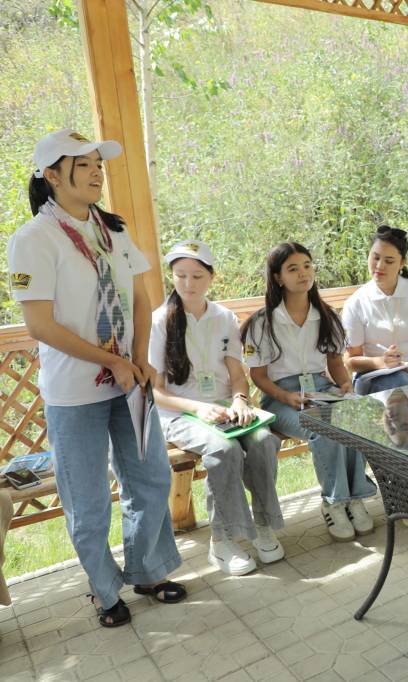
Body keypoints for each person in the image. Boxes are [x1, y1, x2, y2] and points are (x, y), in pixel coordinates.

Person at [8, 129, 184, 627]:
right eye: (82, 165)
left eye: (97, 165)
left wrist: (138, 359)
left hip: (129, 383)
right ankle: (105, 592)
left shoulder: (113, 230)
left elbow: (142, 298)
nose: (95, 173)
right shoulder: (32, 240)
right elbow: (39, 325)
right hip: (74, 394)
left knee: (151, 478)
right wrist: (111, 361)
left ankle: (148, 570)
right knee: (87, 502)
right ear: (51, 175)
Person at [150, 240, 284, 577]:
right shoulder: (159, 322)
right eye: (180, 275)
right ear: (171, 277)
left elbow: (238, 376)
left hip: (225, 409)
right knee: (224, 450)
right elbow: (156, 392)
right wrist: (198, 409)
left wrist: (240, 399)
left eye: (197, 276)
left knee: (264, 441)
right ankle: (222, 540)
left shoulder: (224, 317)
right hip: (181, 413)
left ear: (212, 277)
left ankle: (263, 525)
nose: (188, 284)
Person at [242, 242, 377, 542]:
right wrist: (285, 397)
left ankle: (355, 498)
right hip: (280, 399)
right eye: (292, 269)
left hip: (321, 390)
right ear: (278, 277)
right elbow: (258, 376)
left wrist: (344, 385)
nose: (303, 273)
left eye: (307, 266)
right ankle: (333, 502)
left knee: (353, 417)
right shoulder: (262, 323)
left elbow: (335, 363)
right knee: (324, 428)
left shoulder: (326, 316)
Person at [342, 225, 408, 396]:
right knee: (399, 387)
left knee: (403, 386)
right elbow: (350, 361)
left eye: (389, 261)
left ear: (402, 263)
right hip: (373, 377)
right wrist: (380, 362)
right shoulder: (356, 302)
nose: (379, 266)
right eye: (375, 257)